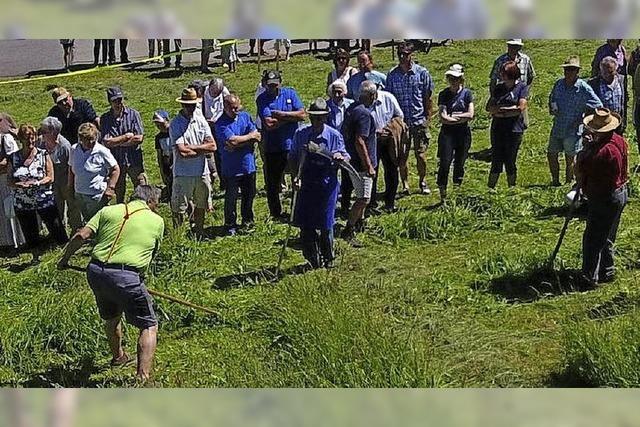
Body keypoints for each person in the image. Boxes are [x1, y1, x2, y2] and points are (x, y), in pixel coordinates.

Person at [57, 185, 165, 381]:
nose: (156, 208)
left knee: (112, 317)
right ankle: (142, 377)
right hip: (127, 276)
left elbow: (81, 235)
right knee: (149, 325)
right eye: (156, 204)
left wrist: (65, 260)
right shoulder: (156, 221)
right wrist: (138, 279)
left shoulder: (107, 210)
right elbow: (152, 252)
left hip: (96, 271)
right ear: (150, 202)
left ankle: (118, 357)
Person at [289, 98, 350, 268]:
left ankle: (329, 257)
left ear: (326, 117)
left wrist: (340, 158)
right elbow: (293, 158)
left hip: (326, 185)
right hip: (306, 184)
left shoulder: (334, 135)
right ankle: (312, 258)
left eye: (320, 118)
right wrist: (295, 177)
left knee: (325, 223)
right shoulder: (301, 134)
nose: (316, 121)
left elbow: (346, 156)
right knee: (306, 224)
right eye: (313, 117)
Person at [575, 108, 628, 286]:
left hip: (604, 197)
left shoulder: (601, 153)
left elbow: (583, 168)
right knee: (607, 235)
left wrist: (585, 150)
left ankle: (589, 277)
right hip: (620, 192)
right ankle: (607, 270)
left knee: (593, 239)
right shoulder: (619, 141)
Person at [256, 70, 306, 220]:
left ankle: (296, 211)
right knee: (273, 184)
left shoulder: (290, 94)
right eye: (270, 85)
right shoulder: (262, 99)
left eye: (275, 85)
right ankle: (276, 213)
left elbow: (302, 114)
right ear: (265, 84)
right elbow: (269, 124)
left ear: (280, 83)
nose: (272, 88)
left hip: (292, 145)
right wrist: (292, 117)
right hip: (273, 147)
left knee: (296, 179)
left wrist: (279, 114)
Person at [7, 124, 68, 249]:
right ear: (20, 139)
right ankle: (35, 253)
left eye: (32, 137)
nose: (30, 141)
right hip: (22, 202)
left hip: (44, 199)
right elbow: (10, 180)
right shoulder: (13, 158)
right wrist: (19, 184)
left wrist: (37, 183)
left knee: (56, 226)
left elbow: (50, 177)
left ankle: (65, 249)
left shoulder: (43, 154)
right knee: (30, 232)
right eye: (26, 138)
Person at [386, 41, 435, 195]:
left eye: (405, 55)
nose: (402, 58)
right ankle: (405, 184)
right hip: (401, 123)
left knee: (421, 154)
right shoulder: (392, 76)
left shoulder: (422, 73)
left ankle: (422, 180)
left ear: (411, 55)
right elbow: (390, 100)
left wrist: (428, 117)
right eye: (400, 55)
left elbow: (428, 97)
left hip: (418, 120)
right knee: (402, 156)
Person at [170, 88, 218, 237]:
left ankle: (199, 231)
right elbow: (183, 152)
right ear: (182, 105)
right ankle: (177, 235)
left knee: (201, 203)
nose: (191, 108)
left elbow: (213, 146)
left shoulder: (201, 120)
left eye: (193, 105)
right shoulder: (176, 124)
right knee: (179, 207)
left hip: (201, 171)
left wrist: (193, 147)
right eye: (188, 105)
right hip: (183, 173)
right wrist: (202, 150)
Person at [548, 56, 602, 186]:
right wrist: (551, 107)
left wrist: (584, 120)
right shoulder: (559, 84)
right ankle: (555, 181)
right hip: (558, 125)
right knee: (551, 153)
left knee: (570, 157)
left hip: (573, 129)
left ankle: (568, 182)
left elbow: (598, 105)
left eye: (572, 70)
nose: (568, 72)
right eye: (567, 69)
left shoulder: (584, 88)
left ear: (577, 72)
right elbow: (552, 98)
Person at [214, 94, 261, 235]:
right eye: (233, 108)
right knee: (231, 198)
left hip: (248, 166)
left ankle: (247, 221)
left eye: (237, 107)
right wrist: (247, 139)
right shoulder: (220, 123)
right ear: (225, 107)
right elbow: (232, 141)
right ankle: (230, 224)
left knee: (249, 195)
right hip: (231, 168)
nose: (236, 111)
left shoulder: (245, 116)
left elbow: (257, 135)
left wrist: (240, 142)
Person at [340, 81, 377, 247]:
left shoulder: (352, 109)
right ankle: (349, 228)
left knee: (362, 194)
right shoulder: (363, 114)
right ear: (371, 96)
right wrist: (368, 164)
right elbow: (359, 140)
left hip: (351, 160)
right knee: (364, 198)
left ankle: (360, 223)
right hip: (360, 164)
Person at [100, 87, 147, 204]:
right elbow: (107, 142)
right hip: (117, 162)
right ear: (109, 102)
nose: (118, 103)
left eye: (120, 99)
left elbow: (139, 138)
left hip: (134, 160)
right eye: (114, 101)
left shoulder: (134, 114)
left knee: (142, 187)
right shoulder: (105, 118)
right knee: (119, 192)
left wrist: (117, 142)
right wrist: (126, 137)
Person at [486, 61, 529, 188]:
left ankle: (512, 187)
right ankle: (491, 187)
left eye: (503, 73)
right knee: (496, 158)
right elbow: (489, 107)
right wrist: (507, 110)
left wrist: (502, 111)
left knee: (510, 159)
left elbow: (520, 108)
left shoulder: (521, 87)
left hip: (514, 129)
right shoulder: (499, 88)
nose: (501, 75)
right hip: (498, 128)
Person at [437, 64, 475, 203]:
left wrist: (453, 117)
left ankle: (457, 192)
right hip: (447, 134)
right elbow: (442, 116)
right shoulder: (444, 94)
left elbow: (471, 114)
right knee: (445, 163)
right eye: (450, 78)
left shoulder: (467, 94)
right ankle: (443, 195)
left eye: (456, 78)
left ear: (461, 79)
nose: (453, 81)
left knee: (460, 163)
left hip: (463, 134)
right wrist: (459, 117)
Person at [69, 123, 120, 223]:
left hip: (96, 196)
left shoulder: (102, 151)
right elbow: (71, 169)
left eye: (93, 138)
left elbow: (115, 169)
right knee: (87, 222)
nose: (91, 142)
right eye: (87, 139)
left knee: (98, 222)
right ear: (81, 138)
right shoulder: (74, 149)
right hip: (79, 193)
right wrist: (69, 186)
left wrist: (110, 188)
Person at [39, 116, 82, 231]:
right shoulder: (40, 143)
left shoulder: (65, 146)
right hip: (51, 182)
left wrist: (70, 184)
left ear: (53, 132)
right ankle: (59, 232)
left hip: (65, 180)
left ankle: (76, 229)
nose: (41, 134)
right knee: (56, 207)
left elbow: (71, 166)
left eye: (44, 132)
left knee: (73, 206)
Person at [368, 83, 404, 213]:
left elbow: (399, 116)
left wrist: (389, 129)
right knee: (372, 171)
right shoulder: (363, 101)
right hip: (373, 141)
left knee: (391, 170)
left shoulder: (388, 98)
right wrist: (375, 131)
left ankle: (390, 202)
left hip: (389, 141)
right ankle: (371, 203)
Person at [0, 113, 24, 249]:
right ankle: (6, 242)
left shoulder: (6, 138)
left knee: (11, 210)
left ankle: (18, 241)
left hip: (7, 180)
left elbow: (12, 159)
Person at [588, 56, 627, 134]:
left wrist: (624, 122)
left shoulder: (621, 80)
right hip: (601, 126)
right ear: (600, 71)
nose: (607, 75)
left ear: (616, 70)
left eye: (610, 72)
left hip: (618, 123)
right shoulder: (594, 84)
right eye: (604, 72)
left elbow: (624, 100)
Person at [203, 78, 231, 189]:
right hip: (207, 126)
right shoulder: (202, 93)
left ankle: (224, 181)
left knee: (221, 153)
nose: (216, 95)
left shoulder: (224, 92)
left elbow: (229, 105)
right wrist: (206, 121)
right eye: (214, 93)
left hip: (220, 125)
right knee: (209, 154)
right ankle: (211, 179)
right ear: (209, 87)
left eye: (218, 93)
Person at [152, 110, 173, 202]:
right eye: (156, 124)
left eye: (160, 123)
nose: (158, 125)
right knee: (169, 182)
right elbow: (159, 154)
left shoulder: (174, 132)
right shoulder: (158, 137)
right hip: (167, 163)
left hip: (177, 162)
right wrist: (162, 170)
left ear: (167, 120)